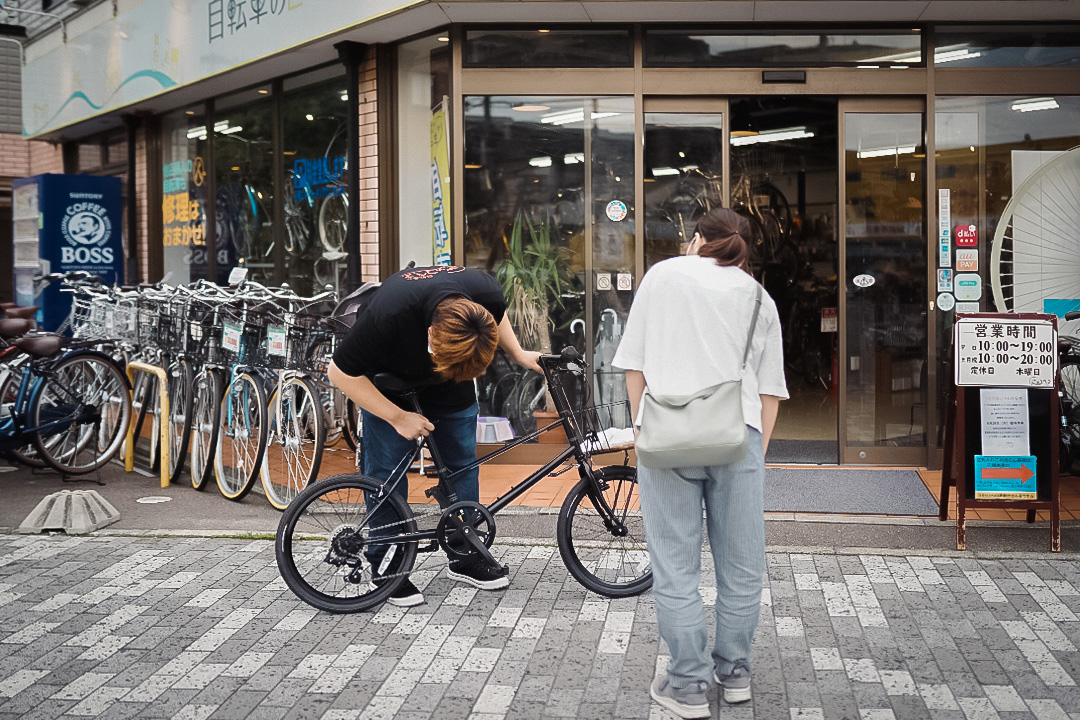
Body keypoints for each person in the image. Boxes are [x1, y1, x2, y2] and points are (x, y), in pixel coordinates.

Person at [613, 208, 787, 717]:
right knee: (741, 568)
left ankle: (687, 685)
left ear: (696, 239)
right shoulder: (759, 298)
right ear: (743, 248)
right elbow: (771, 392)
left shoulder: (662, 276)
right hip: (740, 438)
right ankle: (734, 675)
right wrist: (756, 451)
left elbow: (634, 366)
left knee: (674, 566)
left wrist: (643, 426)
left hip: (668, 438)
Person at [328, 264, 541, 607]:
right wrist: (398, 418)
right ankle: (388, 564)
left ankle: (464, 553)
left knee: (461, 466)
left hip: (452, 380)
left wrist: (517, 353)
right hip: (387, 385)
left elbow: (497, 316)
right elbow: (339, 373)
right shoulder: (390, 312)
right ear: (429, 334)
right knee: (386, 474)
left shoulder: (483, 290)